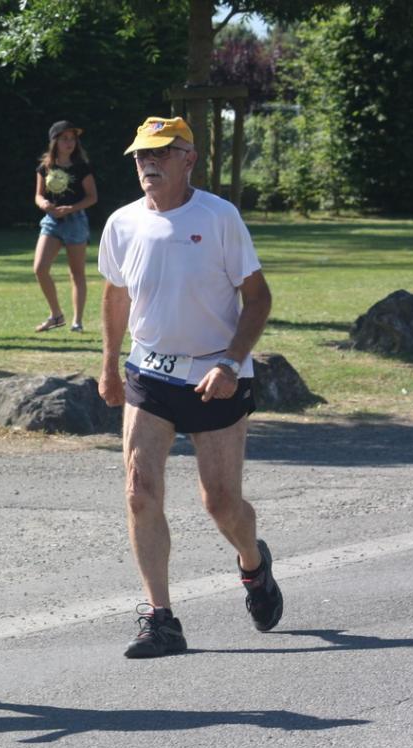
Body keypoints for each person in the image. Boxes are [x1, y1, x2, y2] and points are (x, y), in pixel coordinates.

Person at [96, 117, 281, 658]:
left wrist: (230, 362)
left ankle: (253, 565)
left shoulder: (219, 217)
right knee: (139, 490)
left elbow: (258, 298)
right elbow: (116, 296)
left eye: (160, 153)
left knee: (220, 503)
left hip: (214, 376)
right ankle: (161, 619)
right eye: (140, 155)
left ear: (189, 159)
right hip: (149, 372)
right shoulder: (122, 223)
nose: (148, 163)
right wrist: (109, 364)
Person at [33, 120, 98, 333]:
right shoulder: (45, 167)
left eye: (72, 139)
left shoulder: (82, 167)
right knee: (40, 268)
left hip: (75, 221)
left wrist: (71, 208)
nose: (70, 143)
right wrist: (44, 204)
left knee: (76, 273)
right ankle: (56, 315)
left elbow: (92, 197)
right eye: (64, 139)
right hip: (52, 221)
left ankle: (77, 322)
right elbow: (38, 195)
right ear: (55, 141)